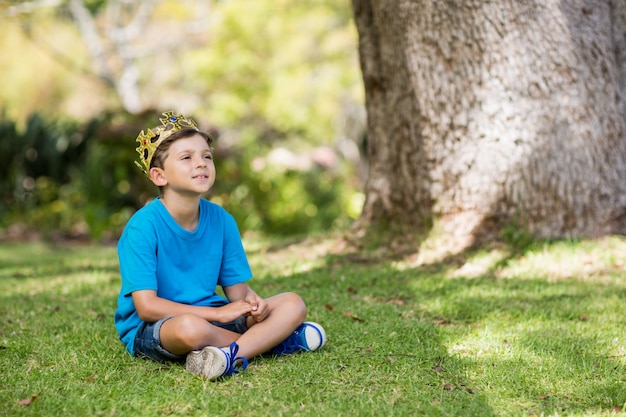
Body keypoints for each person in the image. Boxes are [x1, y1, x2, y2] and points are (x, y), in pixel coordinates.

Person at [114, 111, 326, 380]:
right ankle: (270, 344)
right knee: (190, 329)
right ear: (159, 176)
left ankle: (227, 356)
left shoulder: (222, 221)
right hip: (156, 327)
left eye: (206, 156)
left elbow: (238, 294)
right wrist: (220, 313)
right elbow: (147, 307)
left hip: (215, 317)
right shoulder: (142, 227)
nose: (201, 163)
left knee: (292, 303)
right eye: (186, 157)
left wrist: (253, 303)